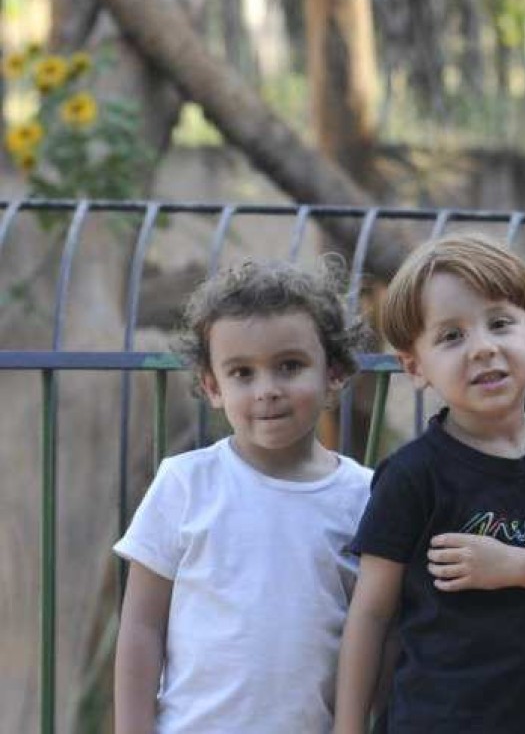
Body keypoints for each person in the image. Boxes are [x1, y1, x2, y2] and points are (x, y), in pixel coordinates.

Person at [333, 233, 525, 734]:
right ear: (415, 366)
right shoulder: (411, 475)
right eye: (451, 337)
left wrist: (514, 565)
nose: (483, 348)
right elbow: (371, 616)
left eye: (499, 324)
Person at [113, 258, 373, 734]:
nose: (266, 390)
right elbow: (141, 627)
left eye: (289, 366)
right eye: (242, 373)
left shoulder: (363, 496)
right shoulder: (185, 483)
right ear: (212, 386)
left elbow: (378, 633)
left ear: (333, 372)